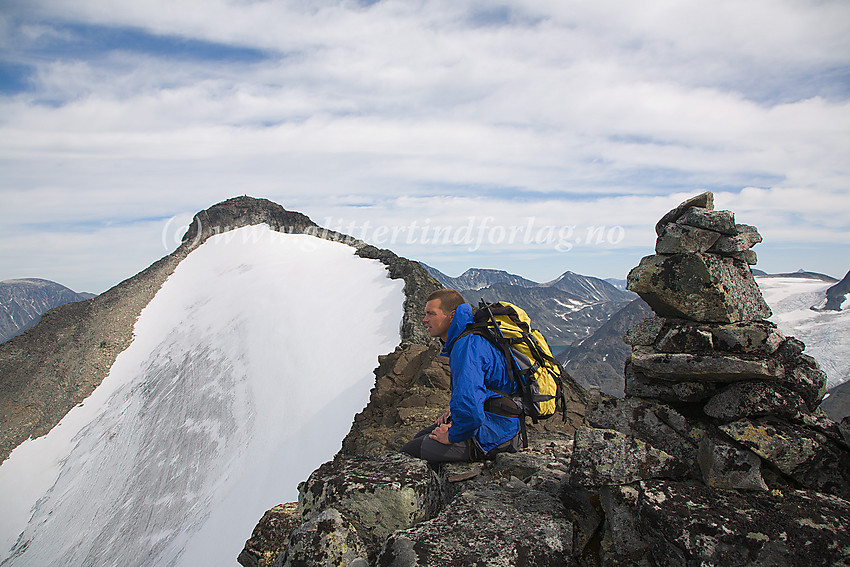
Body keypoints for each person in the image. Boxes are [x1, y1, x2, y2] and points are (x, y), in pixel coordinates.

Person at [400, 289, 521, 463]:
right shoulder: (468, 337)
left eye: (431, 314)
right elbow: (483, 389)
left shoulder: (466, 346)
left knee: (409, 453)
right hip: (497, 423)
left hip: (495, 436)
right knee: (421, 436)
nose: (425, 320)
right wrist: (453, 416)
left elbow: (471, 408)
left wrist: (453, 434)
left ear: (452, 315)